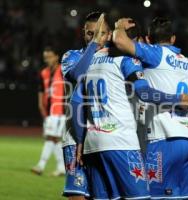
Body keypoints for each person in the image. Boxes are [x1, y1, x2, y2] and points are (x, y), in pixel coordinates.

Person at [80, 16, 188, 200]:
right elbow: (145, 93)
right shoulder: (126, 60)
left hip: (93, 144)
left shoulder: (90, 60)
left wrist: (79, 140)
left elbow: (78, 99)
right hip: (120, 142)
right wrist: (177, 99)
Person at [113, 17, 188, 199]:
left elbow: (119, 40)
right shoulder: (187, 62)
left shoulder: (154, 54)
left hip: (164, 140)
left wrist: (118, 27)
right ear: (173, 39)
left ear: (147, 39)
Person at [60, 11, 106, 199]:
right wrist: (94, 44)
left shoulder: (112, 60)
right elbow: (76, 74)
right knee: (77, 195)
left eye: (100, 33)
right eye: (90, 34)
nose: (94, 38)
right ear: (83, 33)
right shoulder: (71, 56)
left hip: (102, 137)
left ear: (108, 35)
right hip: (74, 135)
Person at [31, 46, 65, 177]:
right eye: (45, 57)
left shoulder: (63, 70)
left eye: (50, 57)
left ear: (56, 57)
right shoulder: (43, 73)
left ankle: (41, 165)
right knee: (55, 139)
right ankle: (61, 167)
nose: (47, 60)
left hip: (60, 109)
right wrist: (41, 104)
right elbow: (41, 90)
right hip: (50, 111)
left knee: (51, 137)